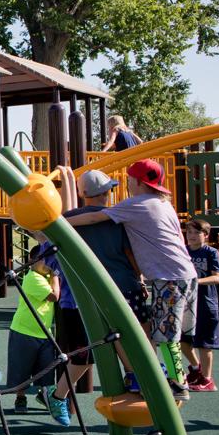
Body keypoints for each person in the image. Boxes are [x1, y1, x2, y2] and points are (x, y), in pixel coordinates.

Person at [66, 159, 197, 401]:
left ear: (136, 182)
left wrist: (59, 224)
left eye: (128, 181)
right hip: (185, 274)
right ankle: (167, 375)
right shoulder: (163, 204)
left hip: (167, 278)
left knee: (165, 335)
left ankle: (177, 383)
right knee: (164, 332)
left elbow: (95, 218)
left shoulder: (135, 204)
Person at [53, 168, 147, 394]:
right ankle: (137, 374)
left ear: (83, 193)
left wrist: (66, 180)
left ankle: (131, 375)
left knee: (101, 340)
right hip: (124, 285)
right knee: (137, 332)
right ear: (107, 192)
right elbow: (130, 253)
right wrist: (141, 278)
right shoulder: (117, 217)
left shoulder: (70, 220)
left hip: (89, 293)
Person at [6, 245, 60, 416]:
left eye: (49, 261)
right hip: (25, 331)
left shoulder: (47, 275)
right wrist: (57, 277)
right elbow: (54, 296)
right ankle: (20, 397)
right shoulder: (33, 278)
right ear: (32, 262)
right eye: (43, 260)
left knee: (45, 369)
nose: (47, 264)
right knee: (21, 370)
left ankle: (42, 395)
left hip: (44, 332)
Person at [184, 218, 219, 392]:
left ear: (205, 235)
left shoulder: (210, 253)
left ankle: (207, 380)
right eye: (189, 232)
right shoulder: (183, 251)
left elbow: (218, 277)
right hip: (186, 304)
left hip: (206, 303)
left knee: (204, 344)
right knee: (182, 340)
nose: (191, 236)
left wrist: (196, 281)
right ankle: (197, 368)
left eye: (196, 232)